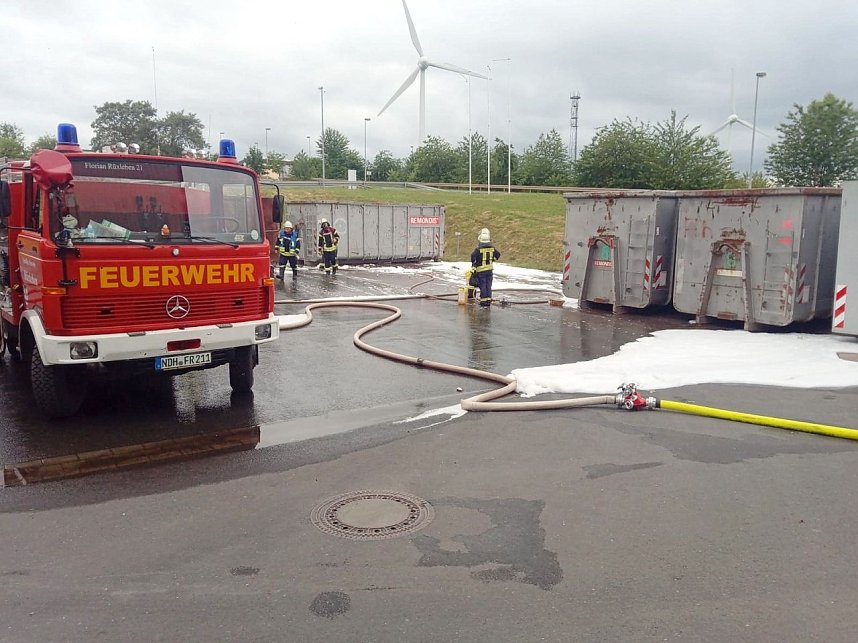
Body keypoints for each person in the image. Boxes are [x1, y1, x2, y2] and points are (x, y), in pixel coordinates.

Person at [470, 228, 500, 308]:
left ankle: (483, 302)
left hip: (481, 271)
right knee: (488, 285)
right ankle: (488, 301)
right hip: (489, 270)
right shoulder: (492, 248)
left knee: (483, 285)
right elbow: (498, 255)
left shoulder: (478, 250)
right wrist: (492, 259)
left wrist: (474, 267)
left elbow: (473, 257)